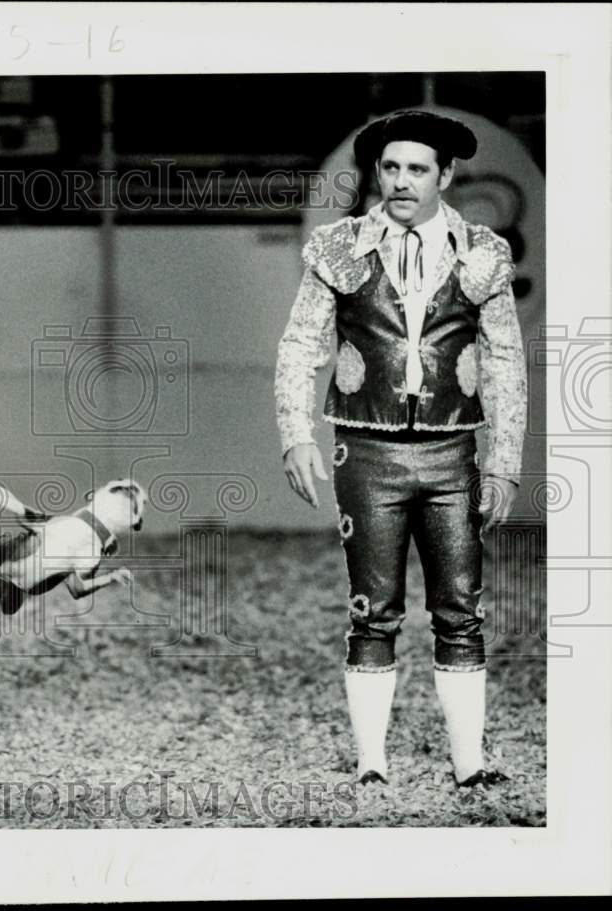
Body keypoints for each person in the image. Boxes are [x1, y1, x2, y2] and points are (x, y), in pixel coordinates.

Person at [274, 110, 527, 788]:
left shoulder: (480, 251)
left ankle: (469, 760)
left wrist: (504, 460)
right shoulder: (342, 245)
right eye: (390, 167)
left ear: (446, 175)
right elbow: (302, 343)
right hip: (367, 448)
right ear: (376, 173)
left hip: (452, 452)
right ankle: (371, 760)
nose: (402, 181)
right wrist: (295, 433)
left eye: (418, 168)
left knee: (461, 608)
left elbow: (505, 360)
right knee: (371, 606)